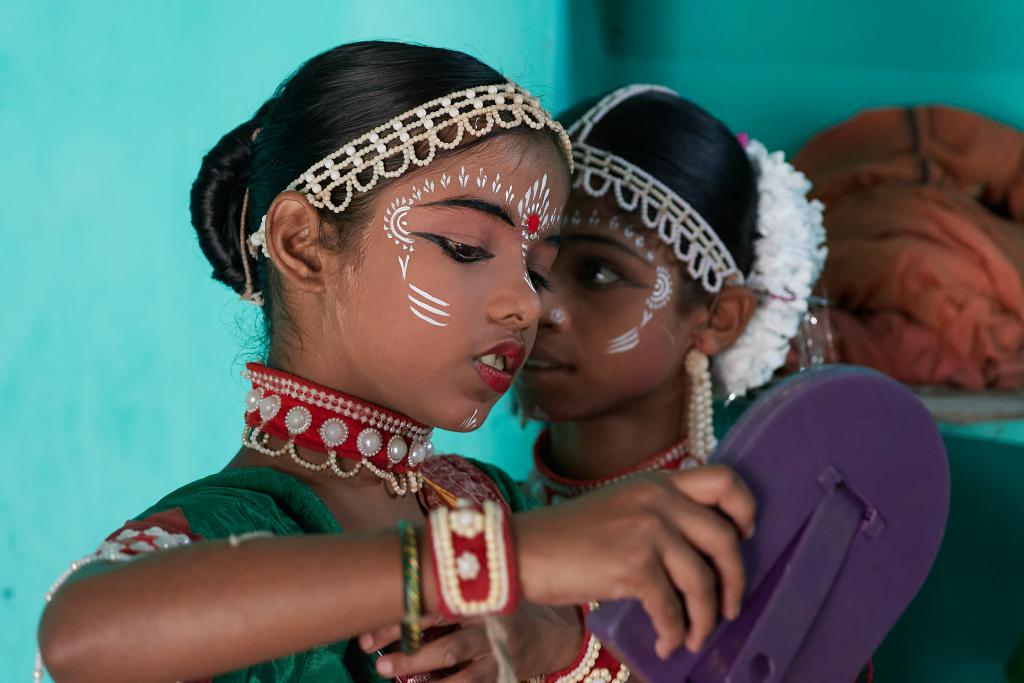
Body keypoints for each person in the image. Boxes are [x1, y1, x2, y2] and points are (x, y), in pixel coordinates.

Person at [35, 51, 756, 683]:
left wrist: (559, 641)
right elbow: (82, 635)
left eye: (537, 271)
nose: (525, 307)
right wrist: (490, 562)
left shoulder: (486, 500)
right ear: (302, 244)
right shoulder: (242, 523)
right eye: (469, 248)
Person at [509, 84, 827, 681]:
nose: (535, 308)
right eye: (530, 266)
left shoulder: (767, 554)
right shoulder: (467, 507)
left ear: (717, 317)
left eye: (598, 271)